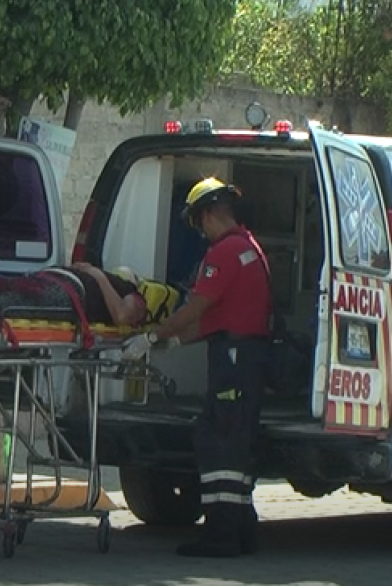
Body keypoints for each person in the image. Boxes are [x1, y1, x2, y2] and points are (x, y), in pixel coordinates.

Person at [123, 177, 273, 558]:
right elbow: (222, 317)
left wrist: (153, 338)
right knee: (237, 446)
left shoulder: (224, 253)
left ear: (208, 214)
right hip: (247, 358)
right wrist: (176, 341)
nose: (199, 232)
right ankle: (242, 530)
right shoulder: (251, 248)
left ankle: (220, 536)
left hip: (233, 361)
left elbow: (197, 308)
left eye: (197, 223)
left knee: (218, 442)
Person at [0, 262, 147, 327]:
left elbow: (122, 316)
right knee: (5, 288)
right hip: (55, 281)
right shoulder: (118, 286)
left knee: (19, 302)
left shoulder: (134, 295)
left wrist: (98, 275)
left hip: (69, 294)